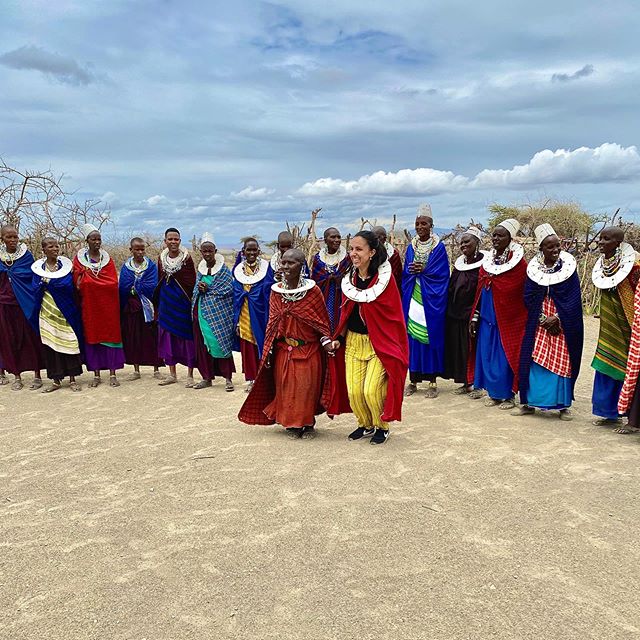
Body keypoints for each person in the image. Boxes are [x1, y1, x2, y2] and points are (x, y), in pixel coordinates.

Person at [239, 249, 333, 438]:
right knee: (286, 388)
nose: (286, 267)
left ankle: (307, 423)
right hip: (284, 350)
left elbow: (321, 322)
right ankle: (293, 423)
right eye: (284, 263)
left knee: (306, 388)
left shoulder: (312, 292)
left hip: (308, 349)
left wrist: (327, 342)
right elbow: (272, 324)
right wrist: (268, 351)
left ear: (302, 267)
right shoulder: (276, 293)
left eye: (291, 263)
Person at [328, 230, 409, 445]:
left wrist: (394, 346)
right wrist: (339, 337)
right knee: (354, 391)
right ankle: (365, 424)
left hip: (378, 344)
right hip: (354, 342)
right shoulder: (350, 278)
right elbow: (346, 313)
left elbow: (392, 318)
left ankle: (381, 426)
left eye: (358, 249)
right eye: (351, 249)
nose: (353, 253)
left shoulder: (384, 281)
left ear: (372, 252)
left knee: (371, 390)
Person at [514, 224, 583, 420]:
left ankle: (562, 405)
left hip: (563, 323)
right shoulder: (533, 271)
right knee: (534, 357)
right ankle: (529, 403)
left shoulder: (569, 269)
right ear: (541, 249)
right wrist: (543, 319)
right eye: (550, 247)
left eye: (557, 247)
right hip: (539, 322)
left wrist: (558, 318)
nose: (555, 251)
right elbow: (528, 296)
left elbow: (573, 298)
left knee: (564, 359)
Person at [467, 218, 527, 410]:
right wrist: (476, 316)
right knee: (486, 355)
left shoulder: (519, 264)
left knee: (505, 356)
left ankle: (508, 395)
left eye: (500, 235)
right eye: (494, 234)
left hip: (508, 319)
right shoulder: (488, 262)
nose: (495, 238)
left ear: (510, 238)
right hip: (487, 317)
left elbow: (519, 289)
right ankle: (494, 394)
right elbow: (480, 288)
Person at [589, 227, 639, 427]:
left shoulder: (634, 267)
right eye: (600, 238)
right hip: (609, 326)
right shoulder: (602, 265)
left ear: (618, 243)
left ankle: (630, 417)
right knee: (606, 362)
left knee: (630, 368)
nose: (600, 242)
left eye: (606, 239)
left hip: (628, 324)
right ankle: (608, 412)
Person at [402, 206, 450, 398]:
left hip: (431, 300)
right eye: (417, 224)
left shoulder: (438, 248)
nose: (420, 227)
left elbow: (443, 274)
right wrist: (412, 270)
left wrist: (425, 270)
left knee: (429, 338)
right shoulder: (411, 247)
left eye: (424, 223)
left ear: (432, 226)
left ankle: (432, 382)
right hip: (413, 297)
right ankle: (412, 381)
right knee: (413, 338)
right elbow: (405, 272)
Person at [73, 224, 125, 387]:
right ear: (86, 241)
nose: (97, 242)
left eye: (99, 239)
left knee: (111, 337)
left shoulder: (107, 260)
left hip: (108, 307)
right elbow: (77, 283)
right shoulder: (80, 261)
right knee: (93, 337)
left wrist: (93, 281)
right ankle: (96, 375)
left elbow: (112, 282)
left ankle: (112, 373)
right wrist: (86, 279)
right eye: (93, 239)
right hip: (90, 307)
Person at [31, 237, 84, 392]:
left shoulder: (66, 267)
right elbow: (34, 287)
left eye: (57, 246)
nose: (55, 249)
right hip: (46, 312)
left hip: (65, 312)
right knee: (51, 345)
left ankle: (73, 379)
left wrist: (50, 283)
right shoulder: (38, 269)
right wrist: (43, 283)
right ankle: (56, 380)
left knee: (69, 342)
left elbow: (68, 285)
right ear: (44, 250)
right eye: (51, 246)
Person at [0, 225, 43, 390]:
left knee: (31, 338)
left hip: (25, 304)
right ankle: (17, 376)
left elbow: (33, 279)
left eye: (15, 237)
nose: (12, 240)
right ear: (2, 239)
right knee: (9, 340)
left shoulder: (26, 256)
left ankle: (37, 375)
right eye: (8, 237)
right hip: (5, 304)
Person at [442, 226, 485, 394]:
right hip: (456, 314)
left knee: (473, 349)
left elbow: (482, 292)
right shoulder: (460, 265)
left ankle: (477, 383)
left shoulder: (483, 266)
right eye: (461, 243)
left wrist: (475, 315)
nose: (463, 245)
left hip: (473, 315)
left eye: (467, 241)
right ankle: (465, 382)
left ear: (477, 243)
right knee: (459, 349)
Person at [191, 233, 236, 391]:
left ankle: (228, 378)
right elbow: (196, 289)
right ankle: (206, 377)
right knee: (202, 346)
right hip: (201, 313)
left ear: (215, 250)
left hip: (219, 314)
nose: (207, 254)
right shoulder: (201, 270)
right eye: (204, 251)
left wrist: (209, 288)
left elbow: (228, 289)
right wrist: (200, 288)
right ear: (201, 252)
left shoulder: (223, 271)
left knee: (221, 343)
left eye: (210, 251)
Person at [156, 227, 197, 386]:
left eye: (176, 239)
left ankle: (190, 375)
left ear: (180, 241)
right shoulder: (161, 258)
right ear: (165, 241)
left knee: (187, 338)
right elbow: (160, 280)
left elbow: (190, 281)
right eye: (170, 239)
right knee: (168, 337)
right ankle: (172, 374)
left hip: (183, 304)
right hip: (167, 303)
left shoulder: (187, 259)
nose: (173, 242)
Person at [119, 237, 163, 380]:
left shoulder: (150, 267)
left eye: (142, 249)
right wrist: (132, 290)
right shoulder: (126, 268)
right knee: (134, 337)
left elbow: (154, 285)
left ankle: (156, 369)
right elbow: (123, 286)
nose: (139, 252)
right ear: (130, 250)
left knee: (152, 337)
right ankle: (136, 370)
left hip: (148, 307)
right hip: (132, 308)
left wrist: (138, 287)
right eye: (136, 249)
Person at [233, 237, 273, 391]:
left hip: (260, 313)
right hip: (243, 313)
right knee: (247, 347)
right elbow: (236, 291)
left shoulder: (266, 268)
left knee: (261, 344)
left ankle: (263, 379)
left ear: (258, 251)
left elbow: (268, 288)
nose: (251, 252)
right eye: (248, 250)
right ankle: (251, 379)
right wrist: (244, 294)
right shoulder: (238, 269)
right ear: (243, 251)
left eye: (254, 249)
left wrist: (254, 293)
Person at [311, 227, 352, 332]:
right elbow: (315, 282)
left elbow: (351, 279)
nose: (337, 240)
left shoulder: (347, 258)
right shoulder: (318, 259)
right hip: (323, 299)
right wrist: (329, 278)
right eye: (333, 237)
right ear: (325, 240)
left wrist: (338, 278)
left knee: (341, 323)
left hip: (342, 298)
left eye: (338, 237)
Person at [373, 225, 403, 290]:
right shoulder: (368, 253)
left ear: (384, 238)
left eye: (377, 237)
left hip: (391, 287)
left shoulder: (394, 255)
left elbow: (397, 276)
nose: (374, 240)